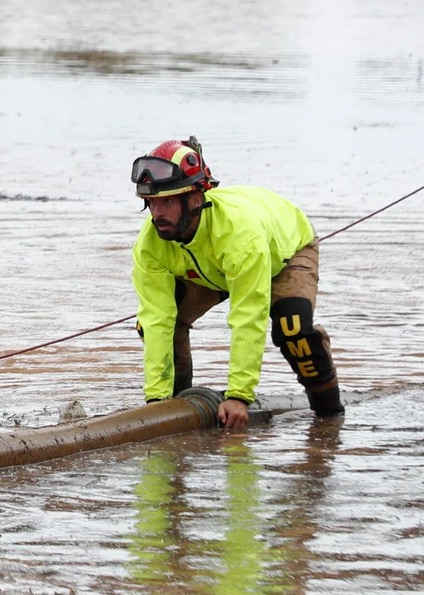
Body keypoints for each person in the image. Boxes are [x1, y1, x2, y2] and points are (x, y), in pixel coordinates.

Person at [129, 139, 342, 429]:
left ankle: (330, 419)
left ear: (194, 198)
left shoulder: (241, 236)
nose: (156, 214)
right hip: (210, 268)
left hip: (285, 251)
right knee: (153, 325)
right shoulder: (151, 243)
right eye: (152, 203)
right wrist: (155, 401)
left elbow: (248, 317)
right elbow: (157, 318)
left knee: (293, 329)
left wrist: (239, 396)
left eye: (167, 201)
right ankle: (174, 409)